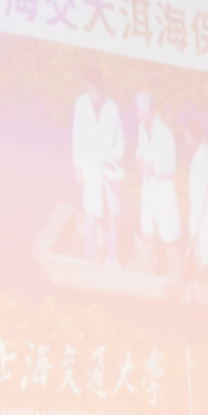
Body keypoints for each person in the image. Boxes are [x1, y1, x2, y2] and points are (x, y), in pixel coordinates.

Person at [69, 68, 125, 262]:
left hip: (109, 170)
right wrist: (78, 169)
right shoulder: (81, 105)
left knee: (112, 215)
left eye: (97, 92)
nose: (94, 96)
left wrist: (115, 158)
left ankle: (112, 258)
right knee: (90, 215)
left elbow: (120, 139)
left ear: (102, 90)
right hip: (89, 169)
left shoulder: (112, 108)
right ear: (87, 89)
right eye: (91, 91)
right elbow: (76, 138)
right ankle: (90, 257)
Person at [135, 89, 181, 274]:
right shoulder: (142, 129)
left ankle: (175, 272)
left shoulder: (165, 133)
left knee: (169, 233)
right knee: (148, 231)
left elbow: (171, 165)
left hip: (162, 188)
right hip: (148, 186)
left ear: (149, 112)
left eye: (139, 111)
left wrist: (154, 167)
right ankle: (148, 271)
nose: (137, 115)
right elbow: (139, 151)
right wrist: (139, 160)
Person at [184, 112, 208, 278]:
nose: (185, 139)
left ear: (194, 136)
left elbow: (199, 197)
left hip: (204, 217)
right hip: (204, 216)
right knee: (207, 254)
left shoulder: (201, 159)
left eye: (186, 135)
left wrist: (193, 225)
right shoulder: (200, 155)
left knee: (207, 259)